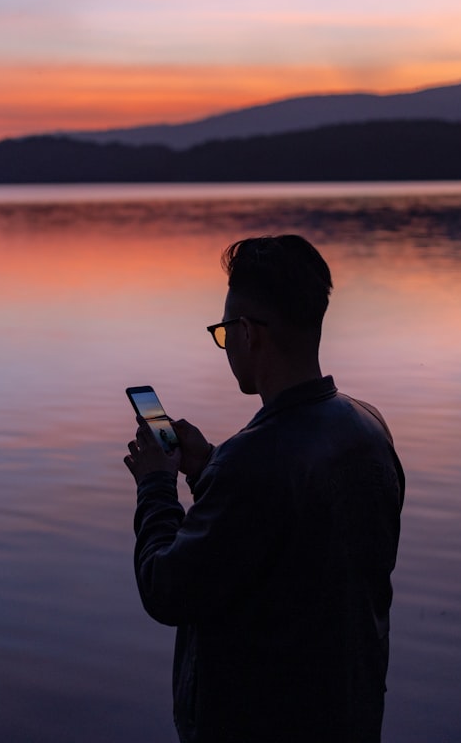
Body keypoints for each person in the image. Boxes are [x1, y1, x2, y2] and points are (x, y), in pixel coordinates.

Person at [124, 234, 404, 743]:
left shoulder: (254, 460)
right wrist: (206, 464)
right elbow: (289, 532)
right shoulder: (368, 428)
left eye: (225, 332)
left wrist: (156, 485)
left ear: (249, 333)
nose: (226, 345)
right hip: (349, 715)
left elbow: (165, 589)